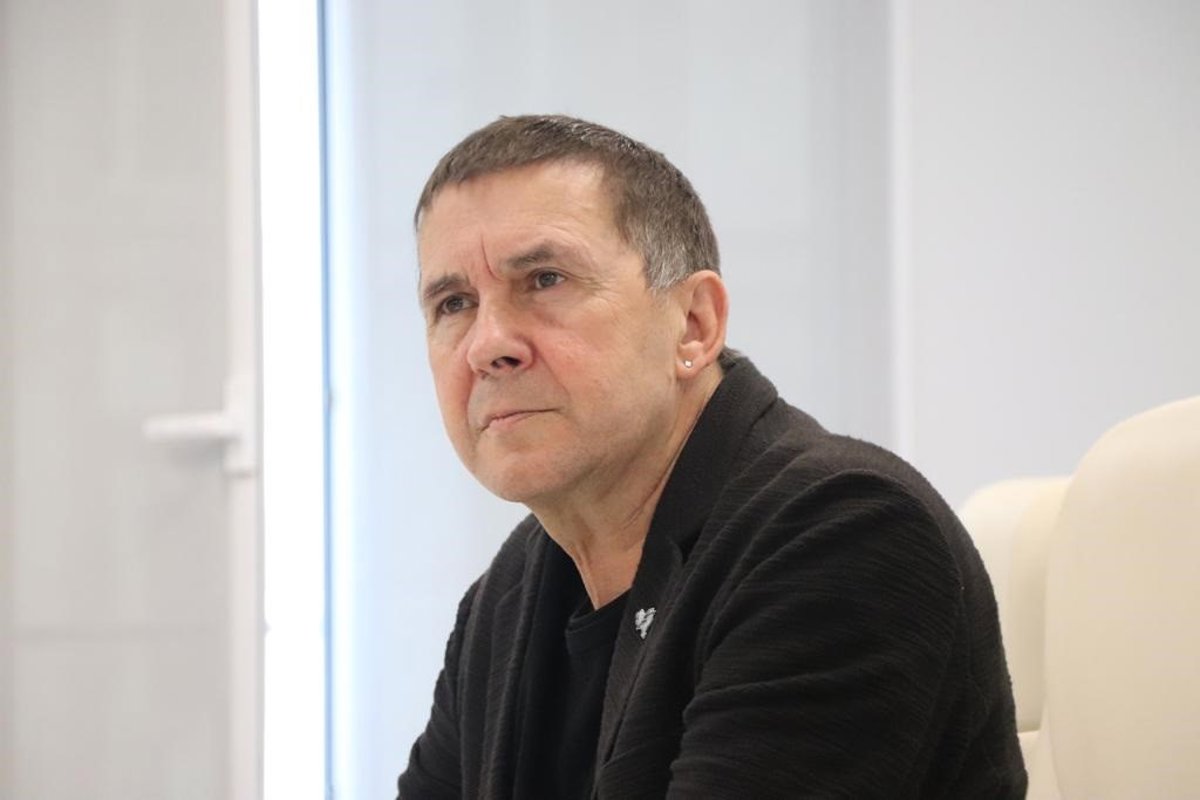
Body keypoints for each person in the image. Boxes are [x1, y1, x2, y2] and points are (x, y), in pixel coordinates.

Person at [397, 114, 1025, 799]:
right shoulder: (510, 593)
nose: (489, 344)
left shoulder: (843, 533)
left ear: (694, 325)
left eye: (545, 279)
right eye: (453, 303)